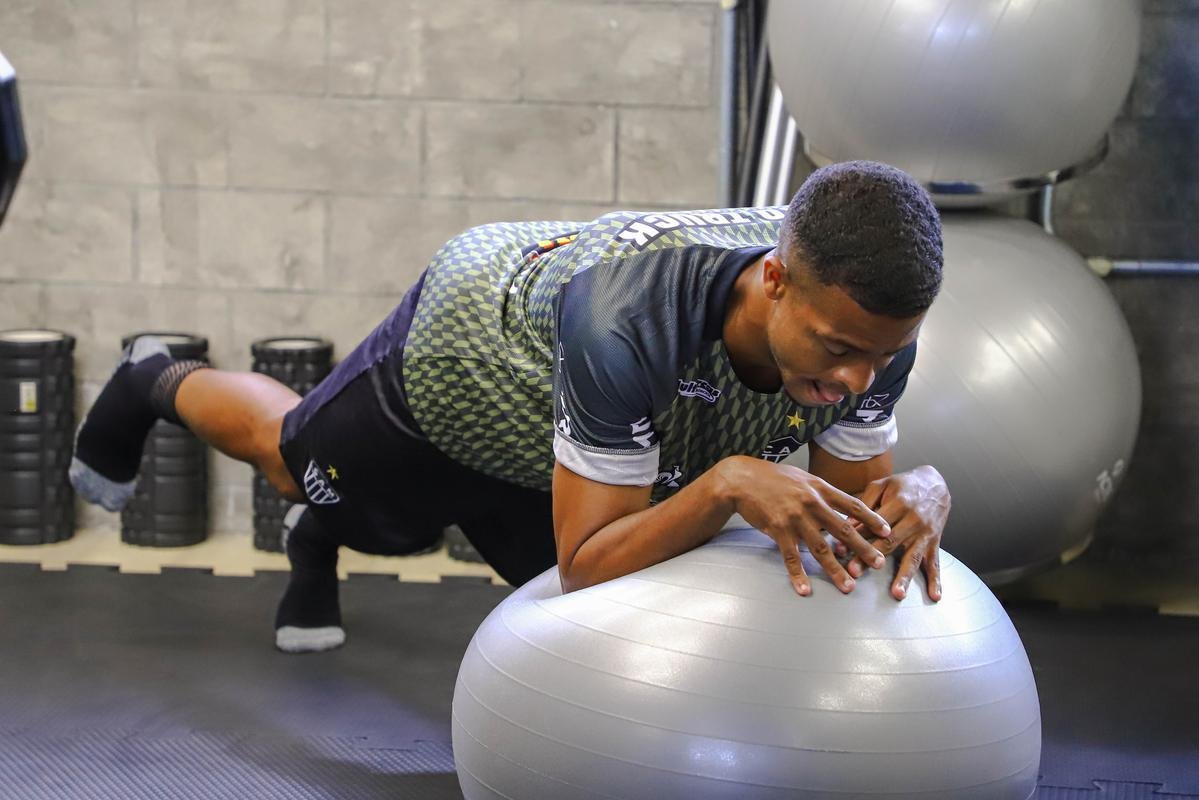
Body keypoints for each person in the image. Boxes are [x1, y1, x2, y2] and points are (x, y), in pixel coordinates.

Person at [69, 160, 951, 653]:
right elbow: (585, 562)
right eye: (838, 351)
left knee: (610, 621)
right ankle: (153, 377)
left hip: (575, 421)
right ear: (773, 281)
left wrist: (922, 490)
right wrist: (724, 482)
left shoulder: (866, 322)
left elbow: (848, 540)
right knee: (293, 465)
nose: (859, 381)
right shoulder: (629, 320)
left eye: (884, 354)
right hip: (467, 355)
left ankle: (332, 528)